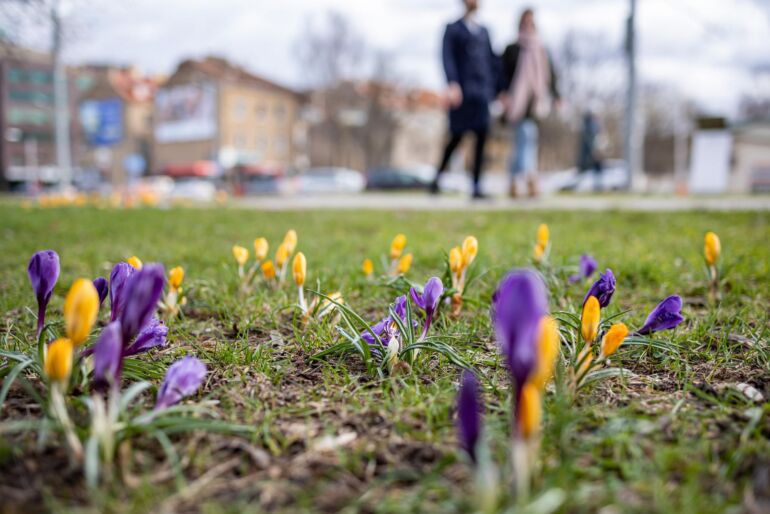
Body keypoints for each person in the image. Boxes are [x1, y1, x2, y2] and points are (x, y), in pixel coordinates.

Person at [430, 0, 500, 199]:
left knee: (481, 139)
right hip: (462, 93)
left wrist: (499, 89)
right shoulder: (453, 29)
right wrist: (452, 83)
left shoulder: (484, 31)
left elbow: (491, 61)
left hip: (482, 93)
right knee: (456, 137)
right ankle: (437, 180)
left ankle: (476, 186)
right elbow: (447, 56)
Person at [500, 8, 560, 198]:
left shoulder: (541, 49)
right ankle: (529, 178)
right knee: (525, 139)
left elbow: (550, 75)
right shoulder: (512, 49)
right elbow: (502, 75)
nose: (528, 26)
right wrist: (502, 94)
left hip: (534, 104)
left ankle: (515, 181)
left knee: (524, 141)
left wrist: (556, 96)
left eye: (531, 22)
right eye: (525, 22)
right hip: (516, 103)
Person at [576, 109, 605, 191]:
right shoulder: (589, 126)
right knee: (584, 168)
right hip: (590, 151)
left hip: (594, 150)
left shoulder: (597, 126)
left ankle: (598, 185)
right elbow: (590, 139)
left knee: (597, 169)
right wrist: (594, 150)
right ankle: (580, 185)